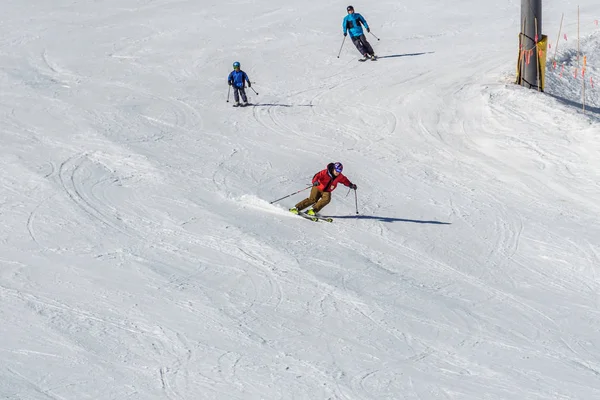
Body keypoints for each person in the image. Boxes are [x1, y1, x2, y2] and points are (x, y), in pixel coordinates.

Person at [289, 162, 357, 216]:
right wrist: (315, 182)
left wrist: (351, 185)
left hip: (327, 191)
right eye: (336, 170)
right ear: (333, 168)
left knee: (327, 199)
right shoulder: (325, 172)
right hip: (318, 187)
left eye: (339, 171)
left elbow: (345, 180)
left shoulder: (339, 176)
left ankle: (313, 210)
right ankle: (296, 208)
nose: (337, 172)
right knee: (312, 200)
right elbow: (317, 176)